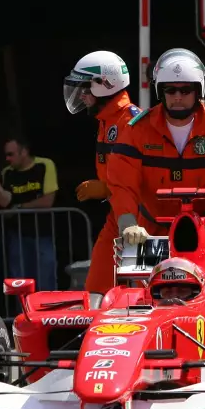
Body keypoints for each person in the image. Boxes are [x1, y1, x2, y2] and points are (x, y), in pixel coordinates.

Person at [107, 48, 205, 246]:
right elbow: (122, 182)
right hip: (149, 234)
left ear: (199, 91)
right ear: (160, 92)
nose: (178, 96)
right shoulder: (137, 130)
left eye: (186, 90)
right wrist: (128, 223)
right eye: (170, 90)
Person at [65, 51, 142, 301]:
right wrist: (108, 189)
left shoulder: (132, 121)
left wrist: (106, 187)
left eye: (85, 88)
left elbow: (144, 175)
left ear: (104, 85)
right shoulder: (106, 121)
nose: (82, 96)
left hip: (142, 218)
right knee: (96, 287)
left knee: (148, 291)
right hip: (116, 215)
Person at [0, 138, 59, 292]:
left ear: (24, 152)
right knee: (20, 281)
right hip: (17, 234)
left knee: (46, 279)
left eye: (11, 154)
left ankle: (47, 315)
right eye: (6, 155)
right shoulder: (7, 172)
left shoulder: (45, 165)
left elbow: (47, 201)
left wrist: (19, 207)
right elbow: (5, 202)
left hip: (42, 233)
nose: (7, 159)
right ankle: (24, 315)